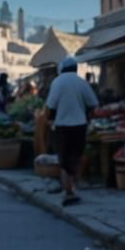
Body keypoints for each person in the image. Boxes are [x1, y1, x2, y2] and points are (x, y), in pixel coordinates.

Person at [45, 57, 98, 206]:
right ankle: (75, 186)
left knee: (64, 158)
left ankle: (68, 191)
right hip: (80, 125)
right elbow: (93, 103)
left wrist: (48, 120)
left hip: (62, 126)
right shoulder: (82, 82)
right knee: (77, 155)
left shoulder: (57, 82)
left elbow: (50, 105)